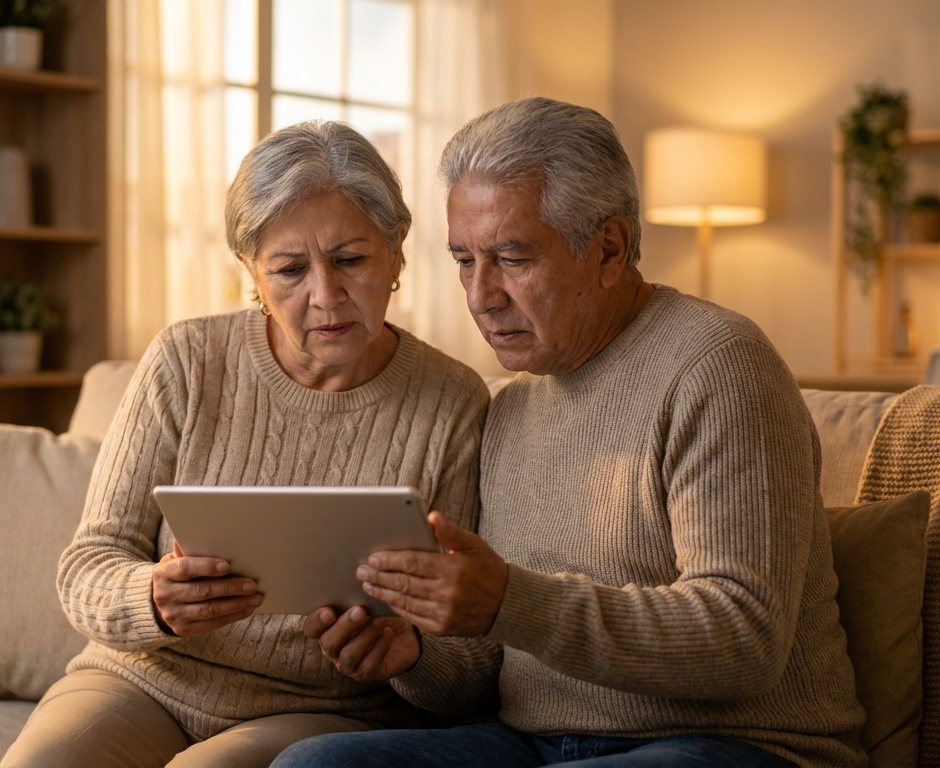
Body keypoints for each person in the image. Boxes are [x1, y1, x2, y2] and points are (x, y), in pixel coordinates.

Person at [275, 98, 868, 768]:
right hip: (535, 745)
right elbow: (489, 665)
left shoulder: (719, 364)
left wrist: (513, 600)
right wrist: (412, 654)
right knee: (315, 765)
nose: (480, 295)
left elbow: (743, 640)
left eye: (511, 257)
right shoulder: (509, 407)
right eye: (465, 260)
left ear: (609, 248)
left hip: (734, 746)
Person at [0, 121, 491, 768]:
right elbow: (88, 564)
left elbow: (470, 655)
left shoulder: (452, 402)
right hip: (142, 678)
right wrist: (153, 599)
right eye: (288, 269)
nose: (325, 296)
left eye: (351, 259)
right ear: (250, 273)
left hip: (321, 708)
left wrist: (411, 655)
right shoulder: (185, 360)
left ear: (396, 247)